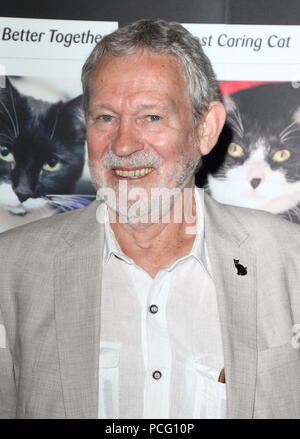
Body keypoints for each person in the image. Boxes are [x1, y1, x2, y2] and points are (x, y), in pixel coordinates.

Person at [0, 19, 300, 420]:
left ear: (206, 129)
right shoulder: (12, 267)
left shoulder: (289, 260)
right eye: (105, 117)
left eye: (152, 117)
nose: (123, 144)